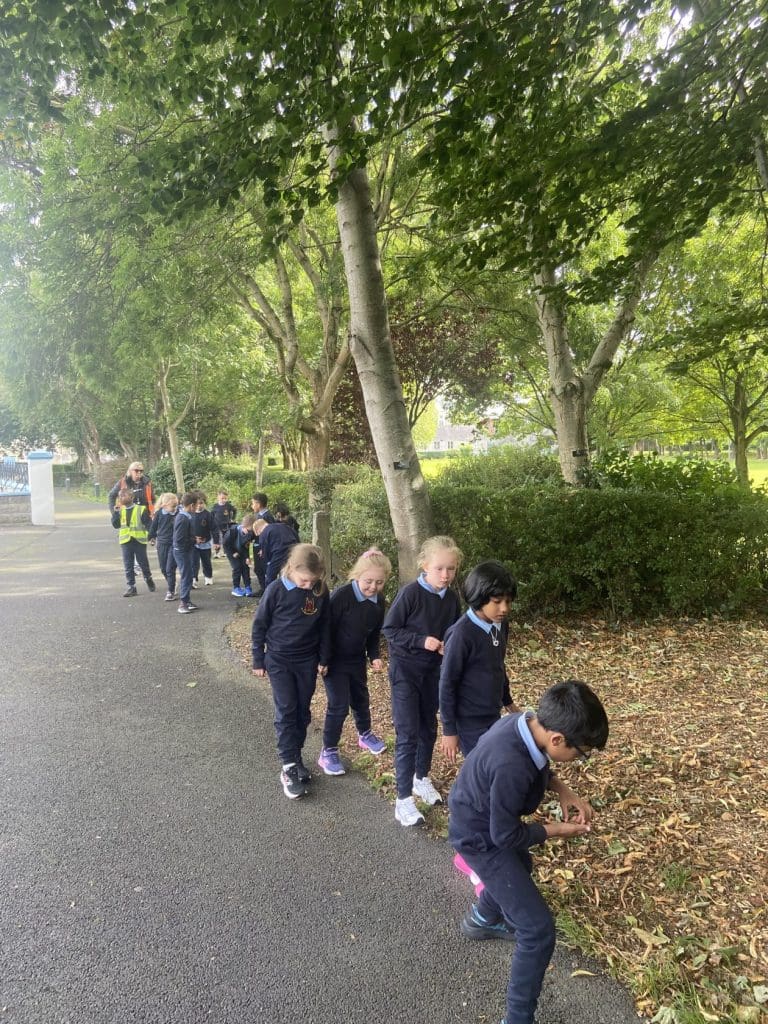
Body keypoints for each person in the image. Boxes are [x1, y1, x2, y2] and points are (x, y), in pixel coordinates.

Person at [449, 680, 608, 1024]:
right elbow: (505, 836)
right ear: (558, 739)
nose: (579, 759)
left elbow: (537, 764)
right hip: (479, 837)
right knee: (537, 931)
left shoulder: (523, 723)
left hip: (479, 822)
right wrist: (555, 830)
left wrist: (563, 790)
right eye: (580, 753)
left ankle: (482, 919)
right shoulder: (511, 765)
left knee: (521, 864)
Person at [382, 535, 463, 826]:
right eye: (439, 568)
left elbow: (454, 632)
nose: (445, 575)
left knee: (429, 727)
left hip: (433, 673)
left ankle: (421, 778)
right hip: (405, 672)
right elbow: (390, 629)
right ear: (424, 565)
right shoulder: (410, 594)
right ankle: (403, 799)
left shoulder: (451, 599)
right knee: (408, 734)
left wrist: (447, 646)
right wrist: (421, 640)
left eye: (451, 569)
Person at [251, 544, 331, 799]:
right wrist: (258, 659)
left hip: (307, 660)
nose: (308, 586)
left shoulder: (319, 591)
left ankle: (296, 757)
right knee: (286, 709)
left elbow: (325, 626)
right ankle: (287, 766)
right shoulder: (276, 590)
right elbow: (259, 625)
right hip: (279, 660)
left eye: (313, 581)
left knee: (302, 711)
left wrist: (324, 657)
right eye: (304, 580)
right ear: (292, 568)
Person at [317, 548, 391, 777]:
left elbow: (374, 633)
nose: (373, 587)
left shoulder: (379, 602)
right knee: (338, 706)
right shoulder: (342, 597)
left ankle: (364, 734)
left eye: (379, 582)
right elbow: (325, 629)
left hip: (356, 659)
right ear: (357, 575)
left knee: (361, 698)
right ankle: (328, 750)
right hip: (334, 661)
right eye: (368, 581)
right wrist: (323, 659)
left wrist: (374, 655)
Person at [440, 561, 519, 762]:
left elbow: (498, 666)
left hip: (492, 712)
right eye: (497, 601)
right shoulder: (461, 634)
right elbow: (447, 683)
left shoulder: (501, 625)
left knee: (497, 761)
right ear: (479, 597)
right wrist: (449, 730)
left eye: (508, 601)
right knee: (481, 765)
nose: (504, 608)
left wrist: (508, 701)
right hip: (468, 721)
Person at [110, 487, 156, 597]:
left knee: (143, 563)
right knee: (128, 564)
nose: (121, 498)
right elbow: (116, 525)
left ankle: (148, 577)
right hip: (125, 541)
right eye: (119, 496)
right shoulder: (120, 511)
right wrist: (115, 513)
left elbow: (148, 524)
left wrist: (151, 536)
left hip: (139, 540)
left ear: (131, 497)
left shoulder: (141, 509)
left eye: (123, 495)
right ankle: (131, 587)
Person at [148, 492, 178, 601]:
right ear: (164, 505)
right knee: (163, 568)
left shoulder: (178, 514)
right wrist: (151, 537)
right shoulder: (159, 514)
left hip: (173, 544)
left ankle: (171, 591)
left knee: (170, 568)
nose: (175, 508)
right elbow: (153, 527)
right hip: (161, 544)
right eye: (173, 506)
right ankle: (172, 583)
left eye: (176, 506)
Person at [252, 516, 299, 586]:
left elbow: (265, 552)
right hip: (294, 550)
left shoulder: (264, 533)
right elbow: (296, 535)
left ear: (258, 530)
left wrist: (266, 559)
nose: (259, 536)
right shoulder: (284, 526)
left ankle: (270, 591)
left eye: (258, 534)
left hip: (280, 553)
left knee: (270, 575)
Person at [173, 492, 198, 614]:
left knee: (188, 574)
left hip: (185, 550)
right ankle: (183, 603)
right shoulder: (183, 518)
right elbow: (179, 539)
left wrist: (193, 539)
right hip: (181, 551)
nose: (197, 507)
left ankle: (187, 601)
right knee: (186, 576)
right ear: (192, 505)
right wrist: (194, 540)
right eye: (196, 505)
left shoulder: (186, 516)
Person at [222, 513, 256, 597]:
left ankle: (247, 586)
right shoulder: (232, 531)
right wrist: (233, 553)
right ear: (244, 526)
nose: (250, 532)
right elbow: (225, 544)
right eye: (249, 530)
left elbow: (246, 546)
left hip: (242, 551)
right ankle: (236, 588)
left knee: (245, 567)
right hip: (231, 551)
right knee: (237, 567)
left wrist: (247, 557)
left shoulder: (250, 533)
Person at [250, 492, 274, 593]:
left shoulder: (267, 516)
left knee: (264, 569)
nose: (252, 506)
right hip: (257, 546)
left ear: (258, 504)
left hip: (263, 548)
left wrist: (264, 548)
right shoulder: (257, 515)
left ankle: (268, 591)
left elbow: (270, 535)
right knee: (258, 569)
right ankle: (263, 589)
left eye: (253, 503)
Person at [191, 491, 214, 588]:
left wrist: (216, 542)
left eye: (201, 503)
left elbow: (214, 528)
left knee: (206, 561)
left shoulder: (208, 514)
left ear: (204, 503)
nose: (199, 505)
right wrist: (193, 538)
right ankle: (193, 579)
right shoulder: (190, 514)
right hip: (193, 543)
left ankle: (208, 577)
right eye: (197, 503)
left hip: (205, 542)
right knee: (194, 562)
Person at [211, 489, 237, 557]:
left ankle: (225, 552)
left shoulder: (228, 505)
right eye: (222, 498)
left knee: (225, 539)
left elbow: (234, 510)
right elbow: (212, 515)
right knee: (217, 539)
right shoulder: (215, 506)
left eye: (225, 498)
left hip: (226, 525)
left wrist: (232, 518)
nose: (224, 500)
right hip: (217, 526)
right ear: (218, 497)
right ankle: (217, 553)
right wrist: (212, 522)